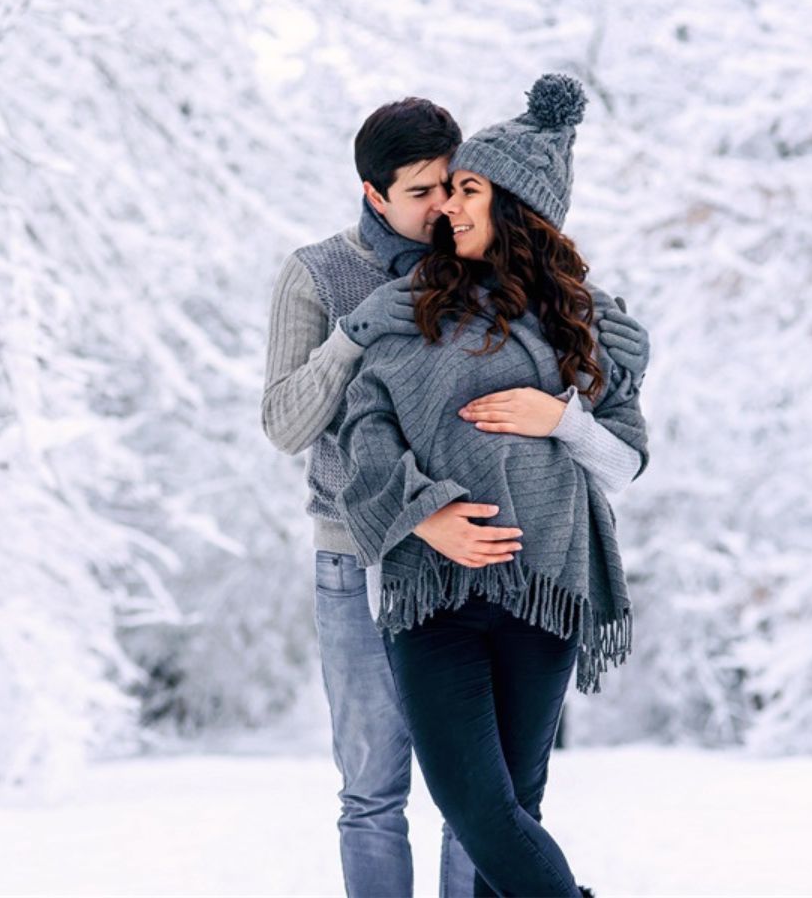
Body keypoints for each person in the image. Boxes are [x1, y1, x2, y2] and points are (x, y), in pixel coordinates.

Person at [261, 90, 650, 897]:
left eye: (457, 187)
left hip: (529, 576)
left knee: (497, 805)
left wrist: (567, 410)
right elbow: (305, 423)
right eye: (425, 193)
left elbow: (619, 445)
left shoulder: (556, 309)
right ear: (375, 194)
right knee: (380, 792)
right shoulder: (341, 282)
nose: (442, 207)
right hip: (379, 558)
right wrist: (420, 510)